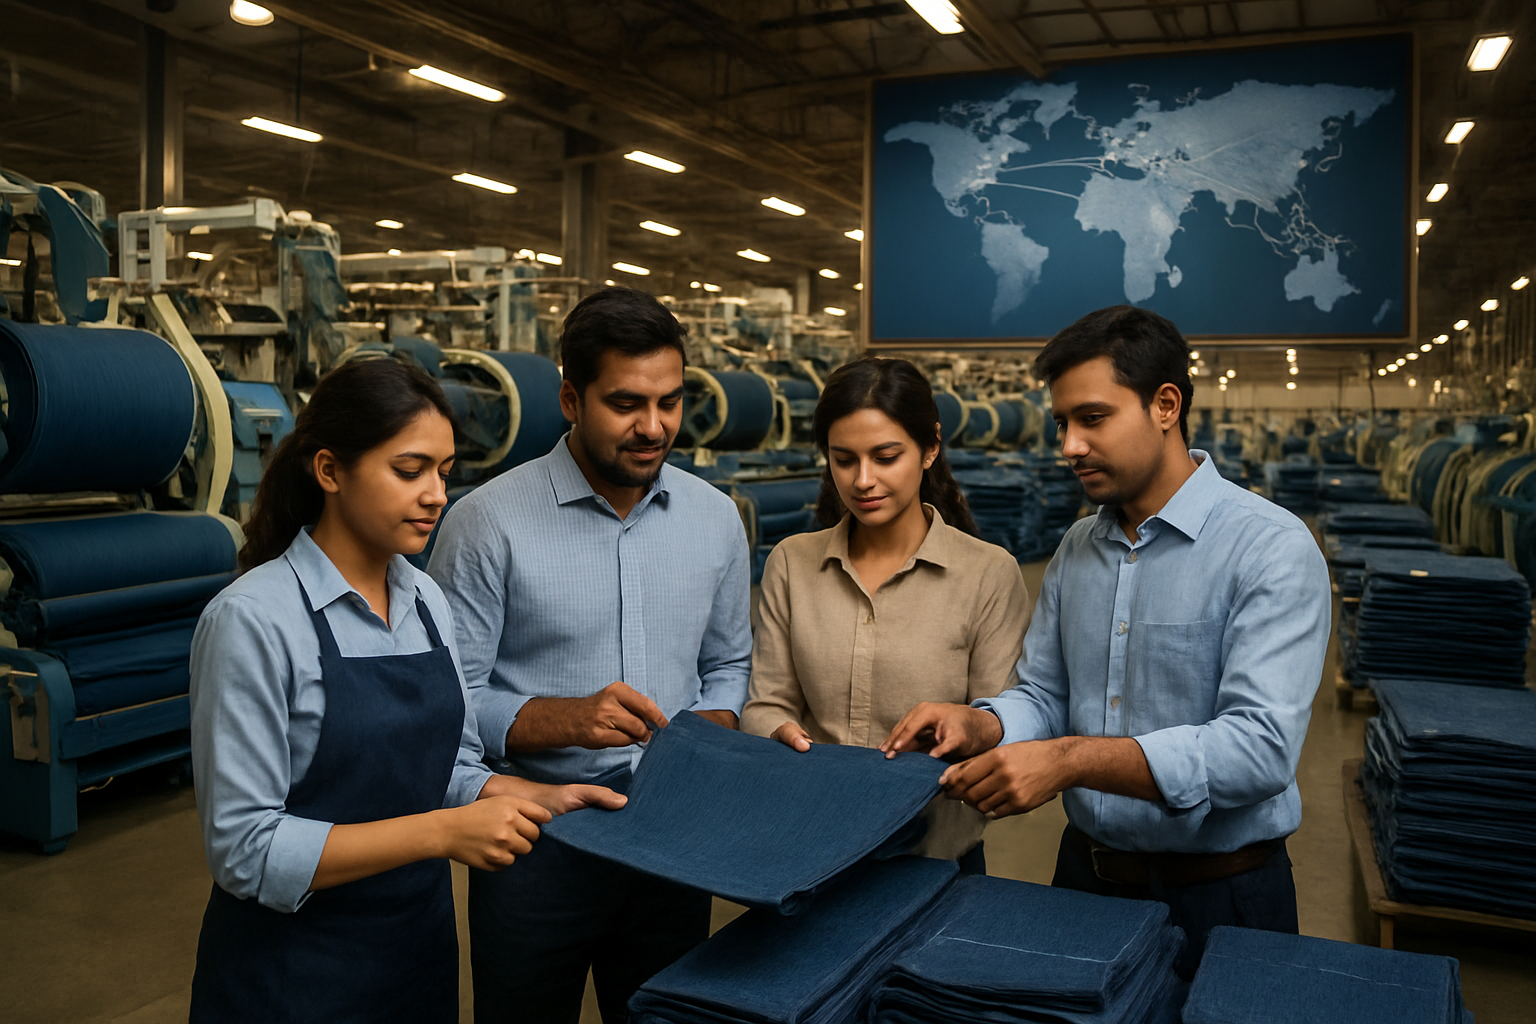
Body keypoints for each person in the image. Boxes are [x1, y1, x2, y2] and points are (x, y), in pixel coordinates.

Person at [883, 305, 1331, 974]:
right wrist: (980, 725)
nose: (1069, 446)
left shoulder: (1268, 548)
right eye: (1062, 423)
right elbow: (1044, 693)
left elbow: (1259, 750)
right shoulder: (1077, 549)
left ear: (1166, 405)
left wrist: (1070, 761)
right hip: (1086, 881)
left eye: (1092, 418)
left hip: (1222, 897)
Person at [187, 358, 625, 1024]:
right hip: (294, 976)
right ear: (330, 470)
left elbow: (440, 766)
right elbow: (246, 852)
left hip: (413, 959)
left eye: (444, 472)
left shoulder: (423, 599)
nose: (435, 495)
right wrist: (444, 832)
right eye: (408, 470)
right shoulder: (253, 620)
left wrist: (521, 793)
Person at [428, 287, 753, 1024]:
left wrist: (708, 735)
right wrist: (560, 720)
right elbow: (447, 700)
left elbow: (730, 665)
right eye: (626, 404)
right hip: (537, 845)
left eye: (669, 402)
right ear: (571, 398)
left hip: (673, 842)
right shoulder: (485, 525)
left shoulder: (714, 520)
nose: (653, 427)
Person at [742, 357, 1030, 872]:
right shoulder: (791, 562)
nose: (863, 480)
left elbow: (1000, 725)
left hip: (934, 855)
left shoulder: (988, 573)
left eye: (886, 456)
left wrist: (967, 730)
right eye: (844, 459)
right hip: (808, 845)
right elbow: (766, 702)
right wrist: (778, 732)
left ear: (930, 448)